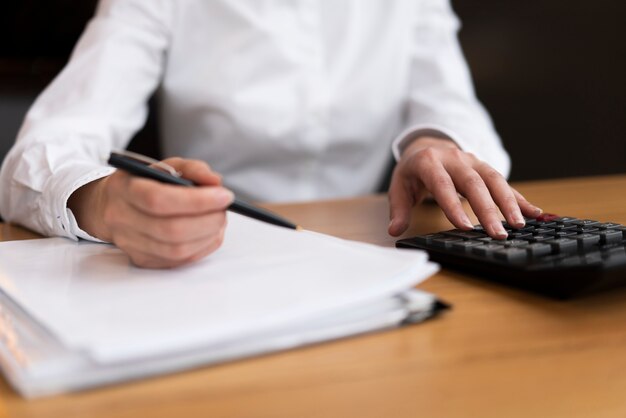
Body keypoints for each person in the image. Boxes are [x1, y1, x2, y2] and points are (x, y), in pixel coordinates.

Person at [0, 0, 541, 268]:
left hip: (363, 254)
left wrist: (432, 144)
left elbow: (455, 108)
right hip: (208, 260)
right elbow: (40, 152)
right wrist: (107, 202)